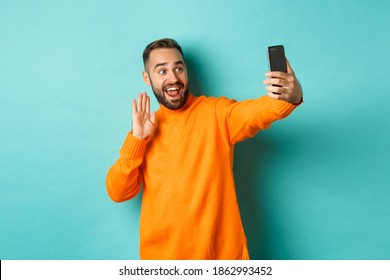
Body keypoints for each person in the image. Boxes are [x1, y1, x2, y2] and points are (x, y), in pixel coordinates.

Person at [106, 38, 303, 260]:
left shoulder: (216, 113)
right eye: (162, 71)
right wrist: (136, 139)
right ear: (147, 78)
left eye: (178, 68)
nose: (173, 78)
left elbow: (258, 112)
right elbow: (118, 192)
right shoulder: (143, 132)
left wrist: (290, 97)